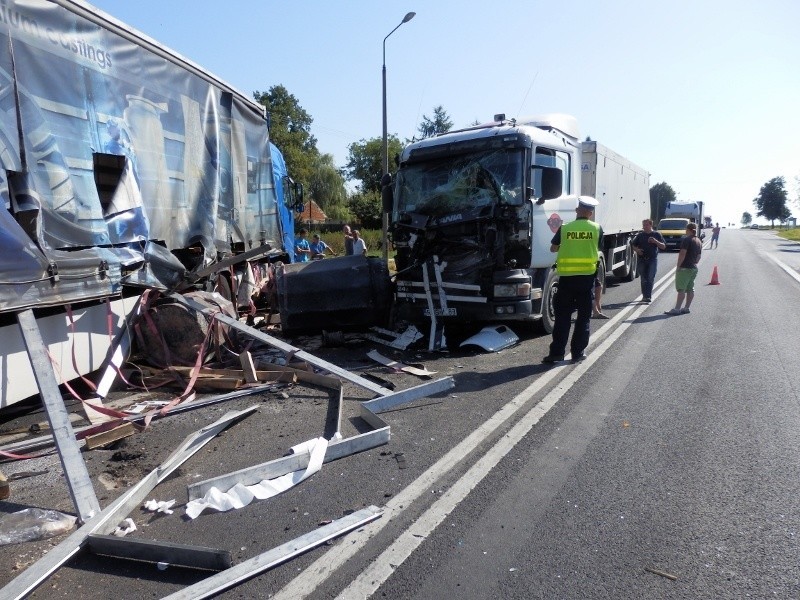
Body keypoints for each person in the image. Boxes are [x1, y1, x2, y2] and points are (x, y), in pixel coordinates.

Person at [542, 196, 603, 364]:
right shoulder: (597, 229)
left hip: (567, 280)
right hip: (586, 280)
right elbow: (597, 248)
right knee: (583, 318)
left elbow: (553, 248)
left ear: (577, 211)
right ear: (590, 214)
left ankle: (556, 353)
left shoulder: (565, 228)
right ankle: (578, 353)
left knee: (562, 318)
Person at [664, 222, 702, 315]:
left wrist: (678, 266)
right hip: (693, 267)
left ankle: (677, 309)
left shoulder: (686, 240)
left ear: (688, 230)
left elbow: (682, 254)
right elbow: (699, 257)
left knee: (681, 289)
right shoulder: (698, 241)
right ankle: (686, 308)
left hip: (685, 267)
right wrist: (694, 262)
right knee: (690, 289)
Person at [632, 218, 666, 303]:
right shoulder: (640, 235)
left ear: (651, 225)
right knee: (643, 278)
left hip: (652, 260)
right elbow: (633, 245)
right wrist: (637, 250)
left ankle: (648, 296)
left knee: (650, 278)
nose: (645, 227)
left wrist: (655, 242)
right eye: (643, 225)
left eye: (646, 225)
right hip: (642, 260)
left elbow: (663, 246)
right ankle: (645, 296)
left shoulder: (657, 234)